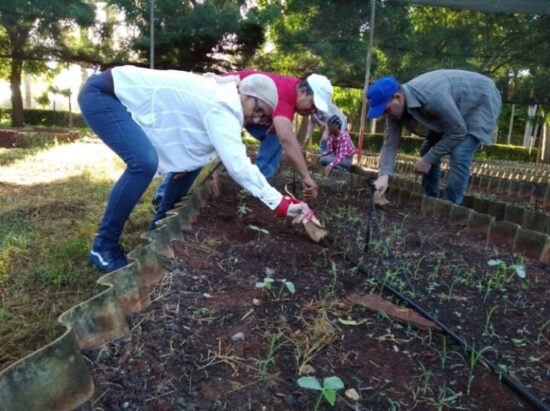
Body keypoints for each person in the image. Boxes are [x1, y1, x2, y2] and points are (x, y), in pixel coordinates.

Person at [78, 66, 318, 273]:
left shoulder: (226, 99)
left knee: (189, 166)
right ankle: (103, 247)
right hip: (104, 94)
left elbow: (194, 139)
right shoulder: (222, 104)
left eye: (263, 118)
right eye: (258, 111)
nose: (256, 120)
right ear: (247, 95)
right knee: (143, 164)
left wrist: (185, 162)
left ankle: (160, 227)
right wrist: (281, 203)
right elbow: (238, 166)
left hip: (119, 96)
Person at [152, 70, 334, 209]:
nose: (312, 111)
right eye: (313, 104)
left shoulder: (289, 92)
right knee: (203, 145)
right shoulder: (286, 93)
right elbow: (286, 138)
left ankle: (257, 187)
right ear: (302, 91)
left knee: (273, 137)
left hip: (245, 107)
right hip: (223, 102)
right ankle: (163, 195)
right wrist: (306, 176)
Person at [366, 69, 502, 205]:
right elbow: (390, 144)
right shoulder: (395, 110)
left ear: (398, 98)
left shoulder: (431, 97)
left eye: (386, 110)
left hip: (480, 99)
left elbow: (457, 132)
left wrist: (428, 160)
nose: (386, 116)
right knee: (427, 150)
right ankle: (430, 198)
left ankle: (451, 206)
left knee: (460, 153)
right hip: (453, 110)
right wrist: (384, 176)